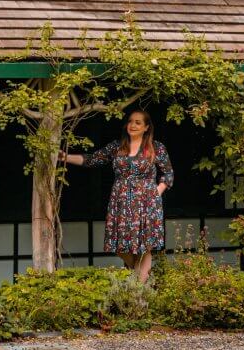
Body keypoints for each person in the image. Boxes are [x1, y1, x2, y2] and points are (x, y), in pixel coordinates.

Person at [59, 109, 173, 284]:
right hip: (120, 202)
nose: (132, 125)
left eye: (137, 122)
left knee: (144, 247)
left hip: (146, 203)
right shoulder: (117, 146)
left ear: (146, 127)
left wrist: (157, 192)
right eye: (130, 121)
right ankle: (139, 280)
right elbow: (92, 159)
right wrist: (65, 157)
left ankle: (139, 291)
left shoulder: (156, 148)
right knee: (121, 246)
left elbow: (168, 174)